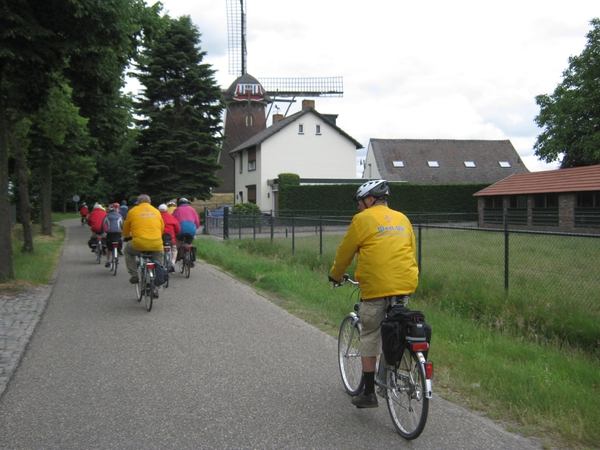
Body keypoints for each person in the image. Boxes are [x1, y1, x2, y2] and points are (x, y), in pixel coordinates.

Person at [329, 180, 419, 409]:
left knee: (370, 334)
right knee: (397, 325)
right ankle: (402, 367)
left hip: (377, 287)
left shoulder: (361, 220)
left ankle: (368, 393)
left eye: (360, 202)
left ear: (369, 200)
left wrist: (335, 276)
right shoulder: (403, 218)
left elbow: (344, 253)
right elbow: (410, 250)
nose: (359, 207)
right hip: (405, 285)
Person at [122, 194, 164, 296]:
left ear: (139, 202)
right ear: (149, 202)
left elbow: (126, 229)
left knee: (127, 251)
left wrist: (126, 236)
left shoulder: (132, 211)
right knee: (158, 263)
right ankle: (156, 288)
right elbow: (162, 227)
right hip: (156, 243)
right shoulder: (156, 211)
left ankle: (134, 275)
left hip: (138, 244)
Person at [172, 197, 200, 267]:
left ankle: (178, 254)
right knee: (189, 242)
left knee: (177, 239)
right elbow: (197, 222)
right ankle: (190, 254)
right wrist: (194, 228)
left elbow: (172, 220)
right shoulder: (192, 209)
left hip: (180, 229)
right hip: (191, 229)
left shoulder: (177, 210)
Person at [158, 204, 181, 271]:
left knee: (160, 252)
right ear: (167, 210)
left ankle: (160, 266)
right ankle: (173, 263)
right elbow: (178, 229)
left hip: (160, 239)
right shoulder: (171, 217)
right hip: (171, 239)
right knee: (174, 250)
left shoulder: (157, 217)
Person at [101, 203, 124, 267]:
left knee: (108, 247)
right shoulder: (119, 216)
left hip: (110, 233)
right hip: (118, 232)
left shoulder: (107, 216)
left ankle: (108, 260)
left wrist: (102, 231)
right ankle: (119, 253)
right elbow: (122, 225)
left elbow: (103, 225)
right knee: (119, 241)